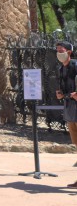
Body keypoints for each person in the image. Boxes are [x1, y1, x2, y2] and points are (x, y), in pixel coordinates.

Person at [55, 41, 77, 188]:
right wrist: (60, 95)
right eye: (57, 50)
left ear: (69, 52)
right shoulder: (61, 68)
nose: (58, 53)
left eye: (61, 50)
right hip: (70, 109)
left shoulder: (76, 66)